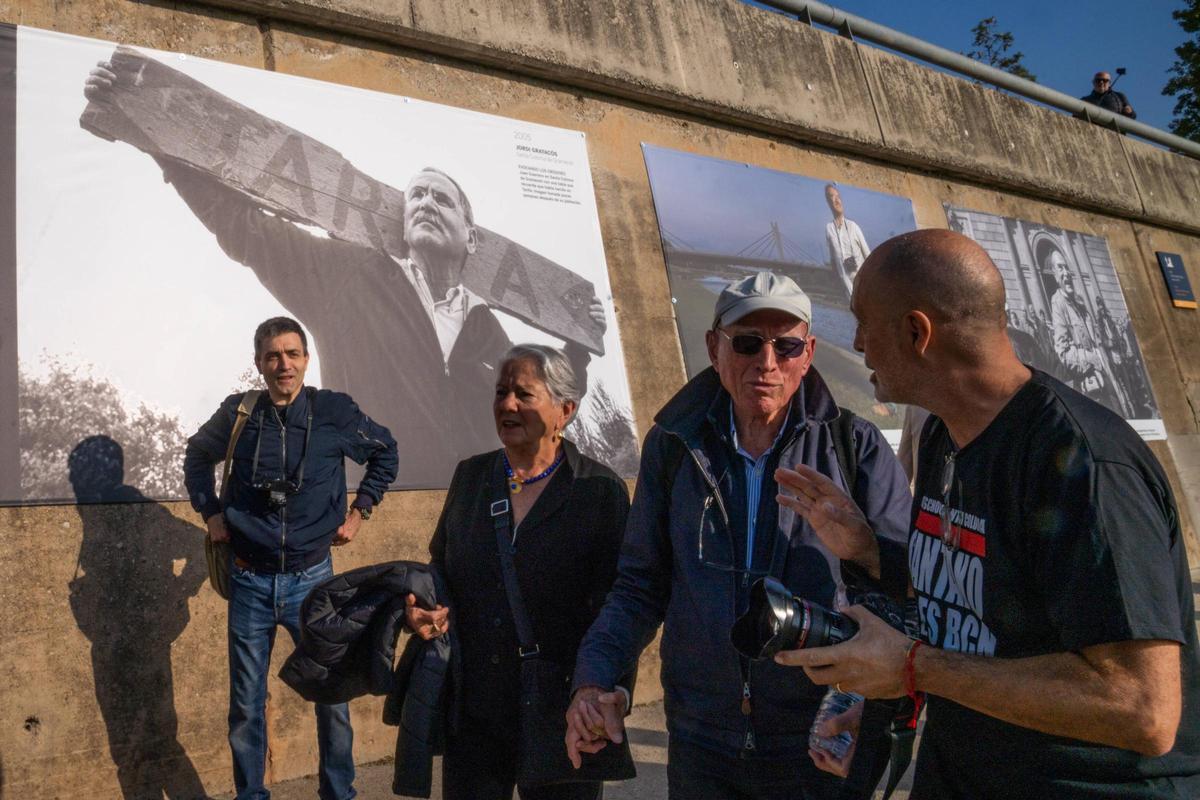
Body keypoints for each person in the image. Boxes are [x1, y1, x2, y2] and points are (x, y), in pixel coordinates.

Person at [775, 229, 1200, 799]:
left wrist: (913, 668)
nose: (855, 342)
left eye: (863, 321)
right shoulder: (944, 438)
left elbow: (1141, 708)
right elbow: (973, 606)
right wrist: (872, 552)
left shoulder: (1083, 464)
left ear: (915, 332)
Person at [85, 62, 604, 488]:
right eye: (416, 196)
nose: (424, 202)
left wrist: (578, 341)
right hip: (366, 502)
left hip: (470, 511)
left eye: (441, 198)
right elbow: (246, 229)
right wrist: (154, 132)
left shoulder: (484, 326)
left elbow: (545, 400)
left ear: (471, 236)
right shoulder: (351, 276)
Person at [567, 272, 911, 799]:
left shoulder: (854, 445)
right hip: (701, 738)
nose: (767, 363)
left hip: (818, 734)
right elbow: (640, 585)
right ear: (714, 347)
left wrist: (866, 548)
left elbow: (910, 589)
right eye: (748, 343)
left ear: (809, 351)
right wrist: (594, 679)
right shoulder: (673, 446)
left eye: (787, 345)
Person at [183, 316, 399, 800]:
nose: (284, 364)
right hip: (250, 581)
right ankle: (251, 795)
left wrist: (361, 509)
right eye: (273, 356)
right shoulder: (239, 413)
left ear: (306, 358)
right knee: (246, 703)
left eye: (293, 354)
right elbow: (197, 456)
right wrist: (210, 514)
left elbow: (386, 453)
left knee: (333, 698)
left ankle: (339, 792)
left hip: (314, 581)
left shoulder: (334, 412)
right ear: (258, 363)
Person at [407, 343, 631, 800]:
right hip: (476, 710)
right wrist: (428, 609)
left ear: (564, 410)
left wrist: (610, 691)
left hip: (564, 709)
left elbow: (621, 603)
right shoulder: (471, 478)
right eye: (501, 392)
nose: (507, 404)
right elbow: (441, 567)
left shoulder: (598, 490)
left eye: (524, 395)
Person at [1046, 249, 1126, 414]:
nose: (1066, 273)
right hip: (1091, 388)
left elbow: (1096, 339)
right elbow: (1063, 352)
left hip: (1108, 380)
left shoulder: (1080, 303)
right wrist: (1094, 359)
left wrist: (1109, 353)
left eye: (1066, 268)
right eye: (1060, 268)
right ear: (1054, 274)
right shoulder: (1058, 303)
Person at [824, 183, 871, 301]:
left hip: (864, 287)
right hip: (846, 291)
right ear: (828, 202)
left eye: (838, 196)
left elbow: (868, 256)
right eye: (832, 196)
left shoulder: (853, 226)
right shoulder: (829, 228)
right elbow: (834, 260)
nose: (837, 200)